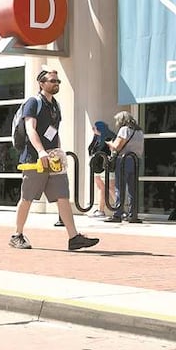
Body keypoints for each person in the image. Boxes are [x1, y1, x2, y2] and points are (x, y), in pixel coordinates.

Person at [9, 68, 99, 251]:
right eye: (52, 81)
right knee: (27, 198)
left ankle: (74, 237)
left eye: (58, 81)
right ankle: (16, 235)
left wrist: (59, 152)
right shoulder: (33, 103)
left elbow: (54, 131)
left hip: (53, 160)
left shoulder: (55, 105)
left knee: (62, 196)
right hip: (34, 159)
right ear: (41, 83)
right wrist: (42, 152)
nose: (56, 84)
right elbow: (30, 129)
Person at [106, 111, 145, 223]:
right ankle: (133, 215)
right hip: (136, 161)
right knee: (133, 189)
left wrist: (110, 144)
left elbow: (117, 147)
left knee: (120, 187)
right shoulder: (139, 131)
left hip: (123, 161)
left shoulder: (124, 130)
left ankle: (117, 214)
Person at [87, 120, 117, 218]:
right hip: (96, 166)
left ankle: (119, 209)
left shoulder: (109, 137)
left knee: (111, 187)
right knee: (101, 187)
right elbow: (91, 149)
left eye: (94, 128)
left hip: (106, 166)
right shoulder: (97, 137)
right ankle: (100, 210)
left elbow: (112, 150)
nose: (93, 129)